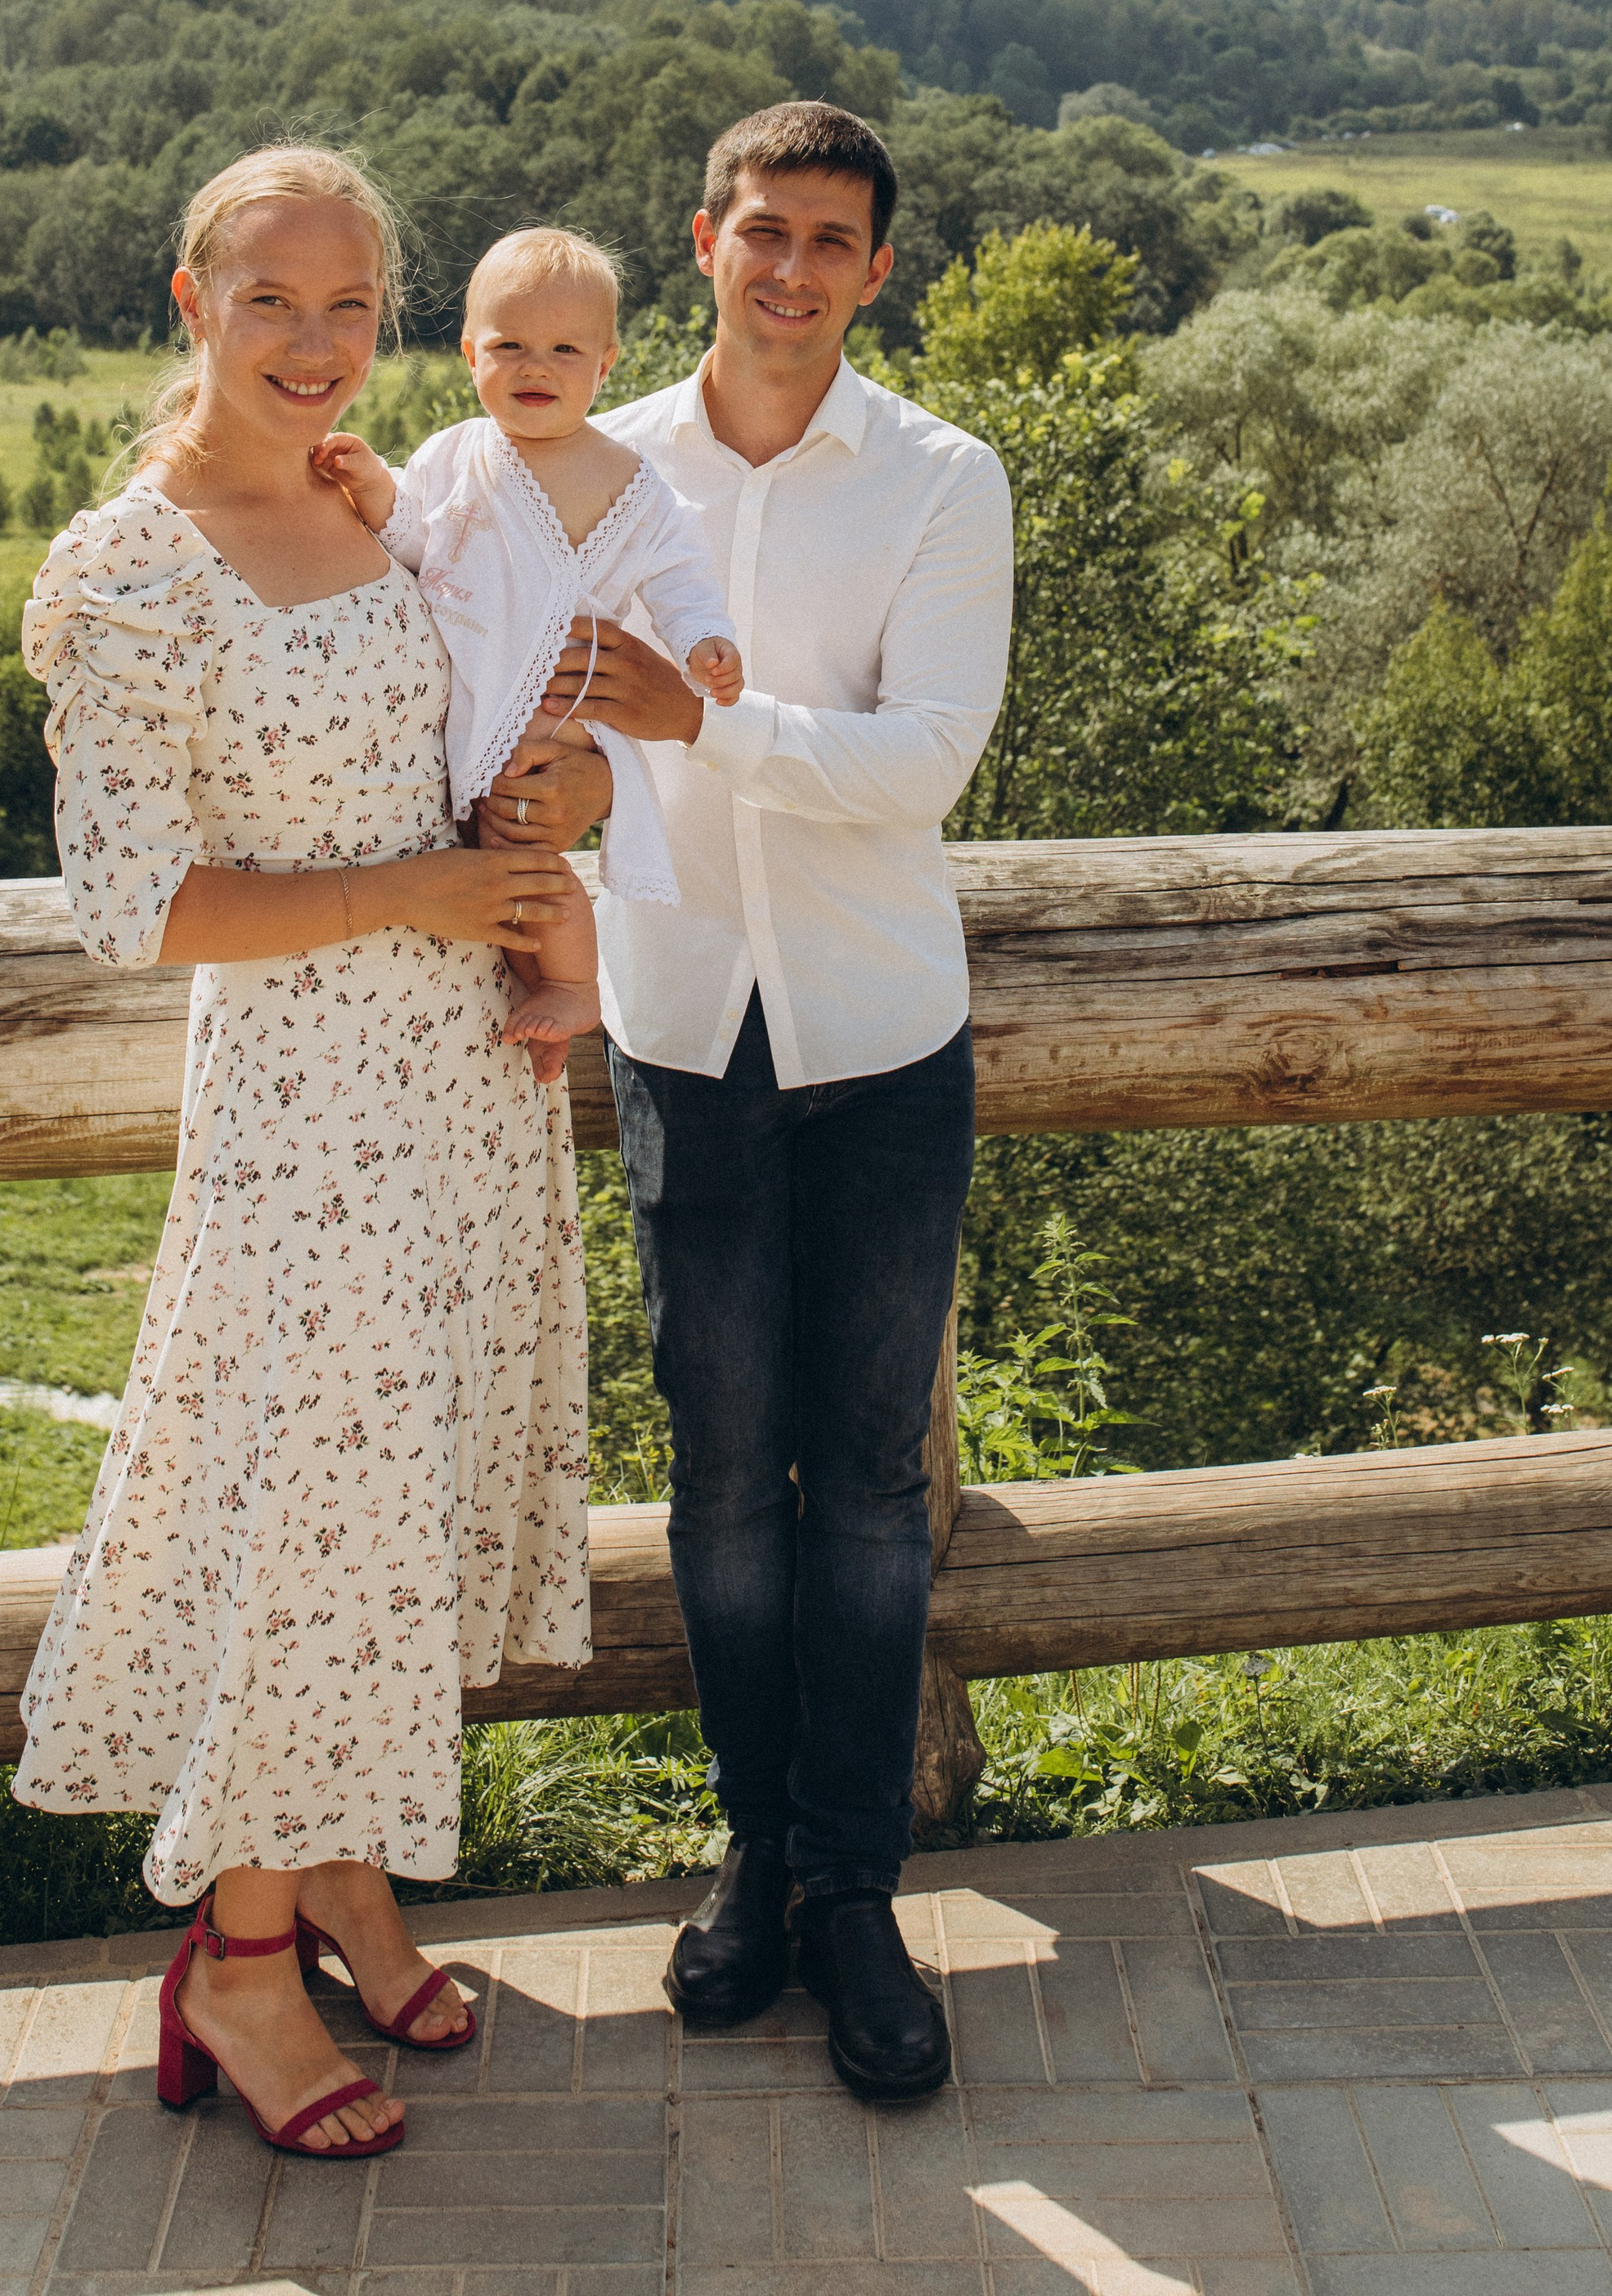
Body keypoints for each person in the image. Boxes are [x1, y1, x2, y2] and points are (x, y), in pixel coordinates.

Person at [16, 146, 590, 2163]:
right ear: (192, 301)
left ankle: (340, 1872)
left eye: (353, 307)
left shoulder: (378, 509)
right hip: (303, 1125)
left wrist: (536, 899)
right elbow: (131, 903)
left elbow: (517, 707)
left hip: (453, 1086)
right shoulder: (132, 564)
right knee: (302, 1521)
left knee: (396, 1504)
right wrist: (420, 891)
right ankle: (236, 1960)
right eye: (275, 301)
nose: (318, 345)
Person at [478, 101, 1013, 2104]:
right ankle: (755, 1860)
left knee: (866, 1492)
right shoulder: (586, 462)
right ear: (698, 239)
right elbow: (442, 580)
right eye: (757, 228)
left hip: (880, 1039)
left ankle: (854, 1891)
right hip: (680, 1031)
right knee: (719, 1484)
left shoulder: (944, 482)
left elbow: (920, 765)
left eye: (829, 239)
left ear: (875, 271)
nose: (788, 266)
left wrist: (694, 718)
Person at [312, 224, 743, 1082]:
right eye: (509, 346)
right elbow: (413, 539)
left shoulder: (632, 480)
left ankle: (577, 985)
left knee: (521, 850)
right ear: (471, 352)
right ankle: (528, 983)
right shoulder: (456, 455)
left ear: (605, 365)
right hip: (473, 697)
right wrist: (373, 488)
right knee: (479, 858)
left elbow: (681, 575)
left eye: (562, 349)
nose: (534, 367)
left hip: (558, 712)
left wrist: (705, 641)